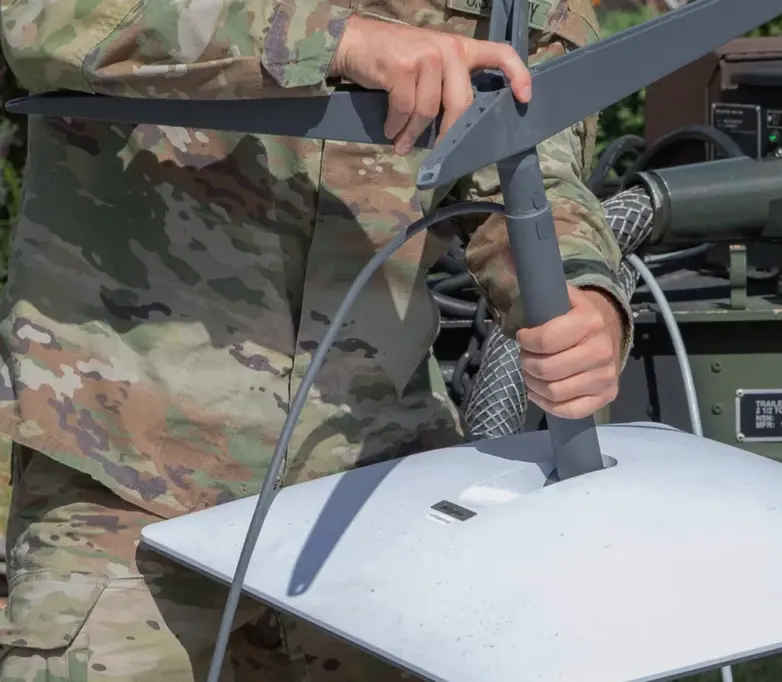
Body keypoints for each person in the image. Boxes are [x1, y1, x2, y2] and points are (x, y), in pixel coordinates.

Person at [0, 0, 632, 679]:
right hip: (125, 477)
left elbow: (529, 169)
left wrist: (583, 301)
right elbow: (41, 19)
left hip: (373, 488)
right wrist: (338, 41)